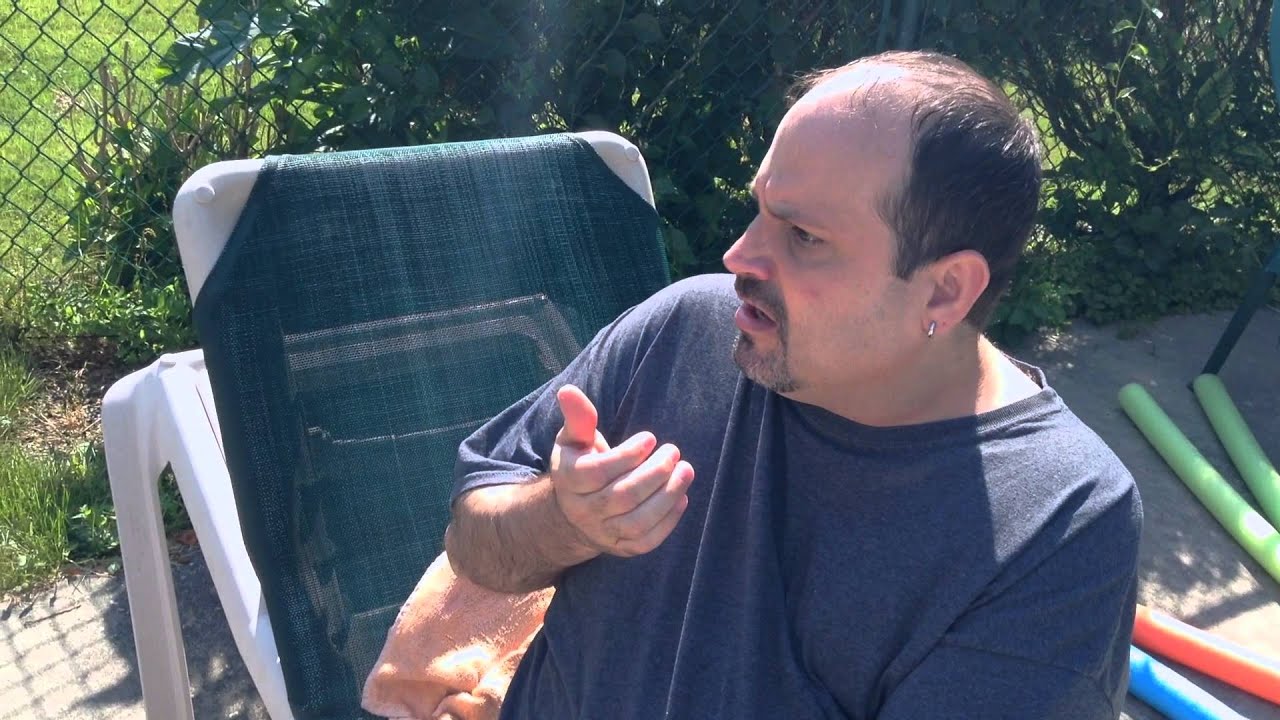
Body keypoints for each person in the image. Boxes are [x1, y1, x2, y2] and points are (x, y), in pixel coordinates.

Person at [443, 50, 1142, 719]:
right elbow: (472, 547)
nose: (738, 255)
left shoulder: (1057, 523)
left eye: (804, 236)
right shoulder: (683, 330)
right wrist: (564, 520)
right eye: (761, 209)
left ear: (945, 291)